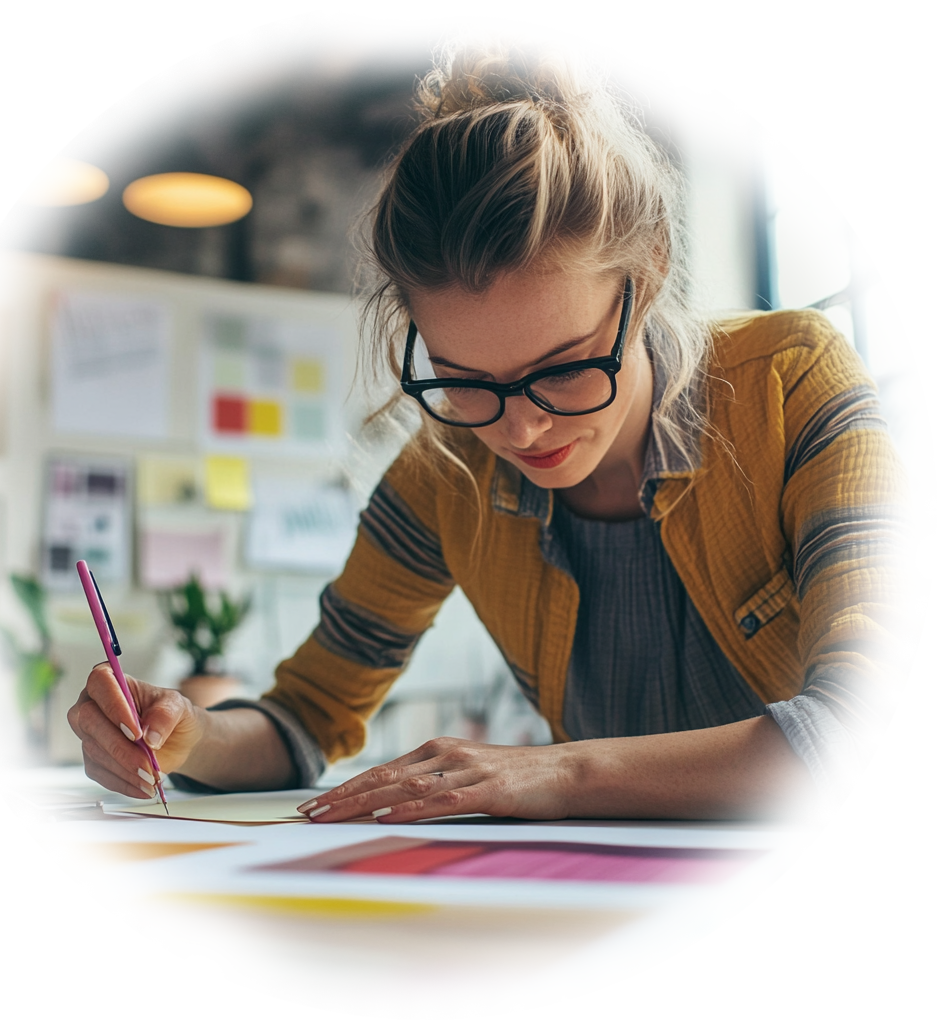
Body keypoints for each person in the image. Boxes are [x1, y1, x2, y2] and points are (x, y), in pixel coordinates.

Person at [69, 12, 937, 825]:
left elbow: (896, 723)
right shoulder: (445, 469)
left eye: (562, 369)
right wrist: (188, 733)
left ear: (652, 272)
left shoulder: (790, 380)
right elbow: (305, 717)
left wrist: (553, 770)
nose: (518, 431)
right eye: (465, 379)